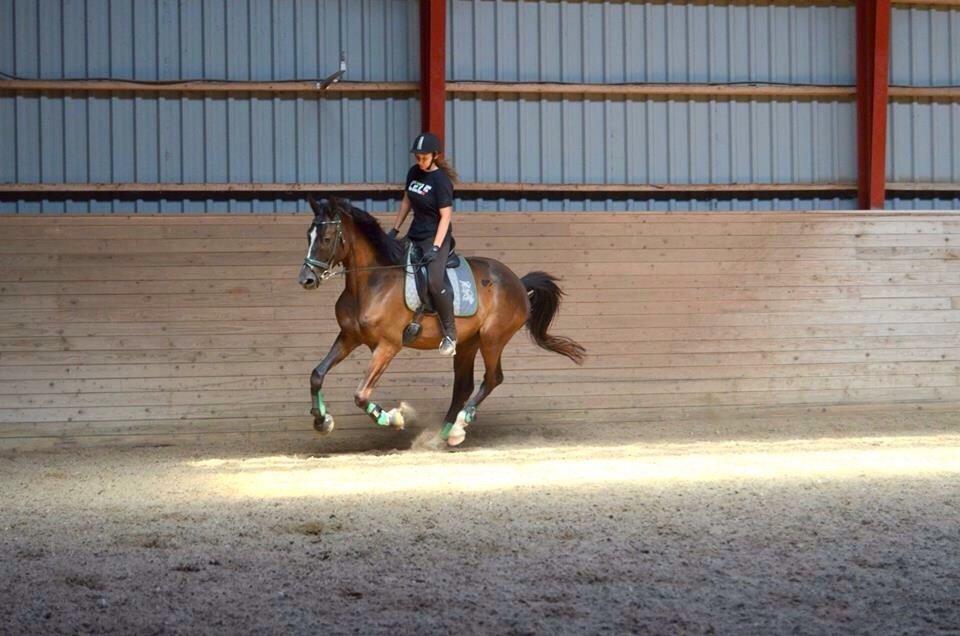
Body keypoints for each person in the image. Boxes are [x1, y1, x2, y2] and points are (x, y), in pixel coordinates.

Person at [388, 132, 459, 357]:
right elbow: (407, 201)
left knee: (434, 281)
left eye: (424, 157)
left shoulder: (441, 182)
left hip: (436, 237)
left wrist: (436, 247)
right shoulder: (413, 173)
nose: (420, 161)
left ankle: (450, 334)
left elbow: (445, 217)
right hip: (415, 234)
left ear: (435, 156)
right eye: (417, 157)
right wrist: (395, 229)